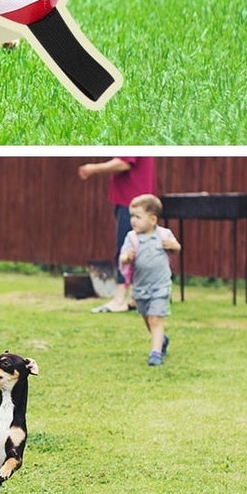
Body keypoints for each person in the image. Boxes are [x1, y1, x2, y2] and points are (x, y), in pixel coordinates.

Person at [78, 156, 158, 312]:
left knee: (126, 249)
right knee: (141, 251)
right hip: (143, 202)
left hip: (132, 203)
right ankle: (139, 298)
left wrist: (92, 168)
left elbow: (124, 163)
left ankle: (120, 299)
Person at [120, 193, 180, 365]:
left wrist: (173, 246)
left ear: (153, 219)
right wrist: (127, 258)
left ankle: (155, 354)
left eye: (138, 217)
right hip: (140, 288)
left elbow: (177, 248)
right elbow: (122, 258)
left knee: (155, 319)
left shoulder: (164, 234)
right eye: (132, 216)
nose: (133, 220)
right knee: (147, 318)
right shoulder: (132, 238)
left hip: (161, 286)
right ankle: (162, 339)